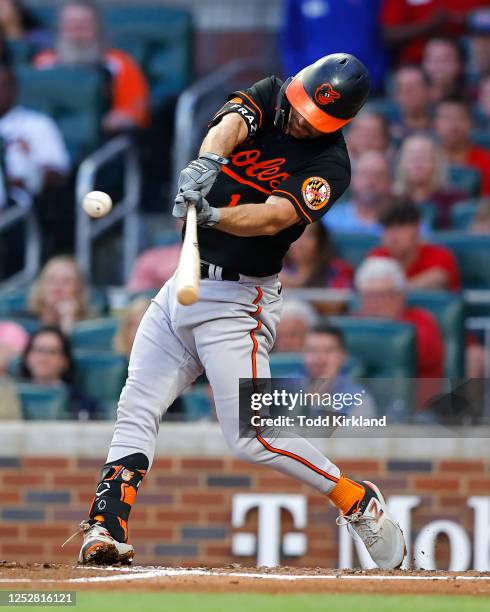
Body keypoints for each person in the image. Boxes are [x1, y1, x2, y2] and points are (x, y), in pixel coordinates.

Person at [68, 53, 406, 569]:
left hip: (238, 303)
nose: (296, 119)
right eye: (298, 105)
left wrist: (213, 213)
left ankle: (356, 499)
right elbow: (229, 126)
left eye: (312, 119)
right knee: (136, 406)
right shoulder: (273, 94)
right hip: (183, 284)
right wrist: (207, 164)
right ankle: (106, 527)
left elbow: (274, 217)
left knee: (254, 436)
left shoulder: (329, 166)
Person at [34, 0, 149, 133]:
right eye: (70, 24)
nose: (77, 31)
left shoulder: (119, 63)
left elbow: (136, 110)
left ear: (97, 28)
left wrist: (120, 119)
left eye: (84, 24)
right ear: (60, 29)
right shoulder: (43, 64)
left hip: (104, 137)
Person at [355, 256, 444, 379]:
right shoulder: (354, 322)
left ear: (400, 296)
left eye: (382, 295)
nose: (373, 304)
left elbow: (401, 353)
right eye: (368, 296)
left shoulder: (422, 323)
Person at [0, 63, 70, 208]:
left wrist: (27, 179)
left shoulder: (37, 124)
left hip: (17, 200)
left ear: (14, 90)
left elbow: (58, 174)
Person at [281, 0, 386, 93]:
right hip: (311, 86)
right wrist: (298, 78)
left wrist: (374, 76)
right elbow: (290, 40)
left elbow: (384, 31)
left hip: (364, 84)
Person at [367, 203, 461, 291]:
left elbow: (437, 279)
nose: (393, 236)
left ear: (417, 229)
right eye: (387, 228)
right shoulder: (377, 256)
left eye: (400, 227)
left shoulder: (440, 256)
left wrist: (390, 289)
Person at [18, 326, 99, 420]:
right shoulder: (11, 397)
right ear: (27, 358)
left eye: (52, 352)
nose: (44, 358)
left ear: (64, 361)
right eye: (39, 350)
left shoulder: (85, 405)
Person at [303, 323, 376, 419]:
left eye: (328, 351)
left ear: (343, 357)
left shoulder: (359, 400)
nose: (319, 359)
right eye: (312, 350)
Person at [381, 0, 488, 64]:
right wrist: (428, 25)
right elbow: (389, 34)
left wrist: (469, 18)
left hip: (466, 64)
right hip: (415, 65)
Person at [395, 134, 465, 228]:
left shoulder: (456, 200)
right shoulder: (391, 200)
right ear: (402, 164)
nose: (418, 162)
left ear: (437, 163)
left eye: (424, 157)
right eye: (412, 157)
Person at [322, 151, 393, 235]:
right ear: (352, 179)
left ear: (389, 182)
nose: (370, 183)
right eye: (364, 175)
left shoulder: (397, 224)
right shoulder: (330, 220)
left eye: (378, 176)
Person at [434, 98, 490, 196]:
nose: (453, 125)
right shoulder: (428, 160)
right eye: (447, 118)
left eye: (460, 118)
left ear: (470, 124)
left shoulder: (486, 160)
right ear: (436, 124)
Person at [26, 256, 89, 334]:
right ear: (41, 286)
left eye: (66, 281)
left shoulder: (91, 325)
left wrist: (67, 320)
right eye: (51, 279)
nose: (58, 285)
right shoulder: (21, 321)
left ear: (78, 289)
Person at [280, 222, 353, 289]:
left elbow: (338, 301)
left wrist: (297, 285)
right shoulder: (277, 268)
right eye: (294, 234)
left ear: (320, 240)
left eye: (308, 236)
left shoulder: (338, 270)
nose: (300, 242)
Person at [391, 66, 432, 143]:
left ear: (427, 91)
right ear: (396, 95)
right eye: (402, 88)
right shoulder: (387, 129)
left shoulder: (440, 124)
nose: (408, 93)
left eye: (414, 87)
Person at [421, 38, 466, 104]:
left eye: (446, 60)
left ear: (459, 65)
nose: (440, 66)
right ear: (424, 64)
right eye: (434, 60)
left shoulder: (471, 97)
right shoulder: (414, 99)